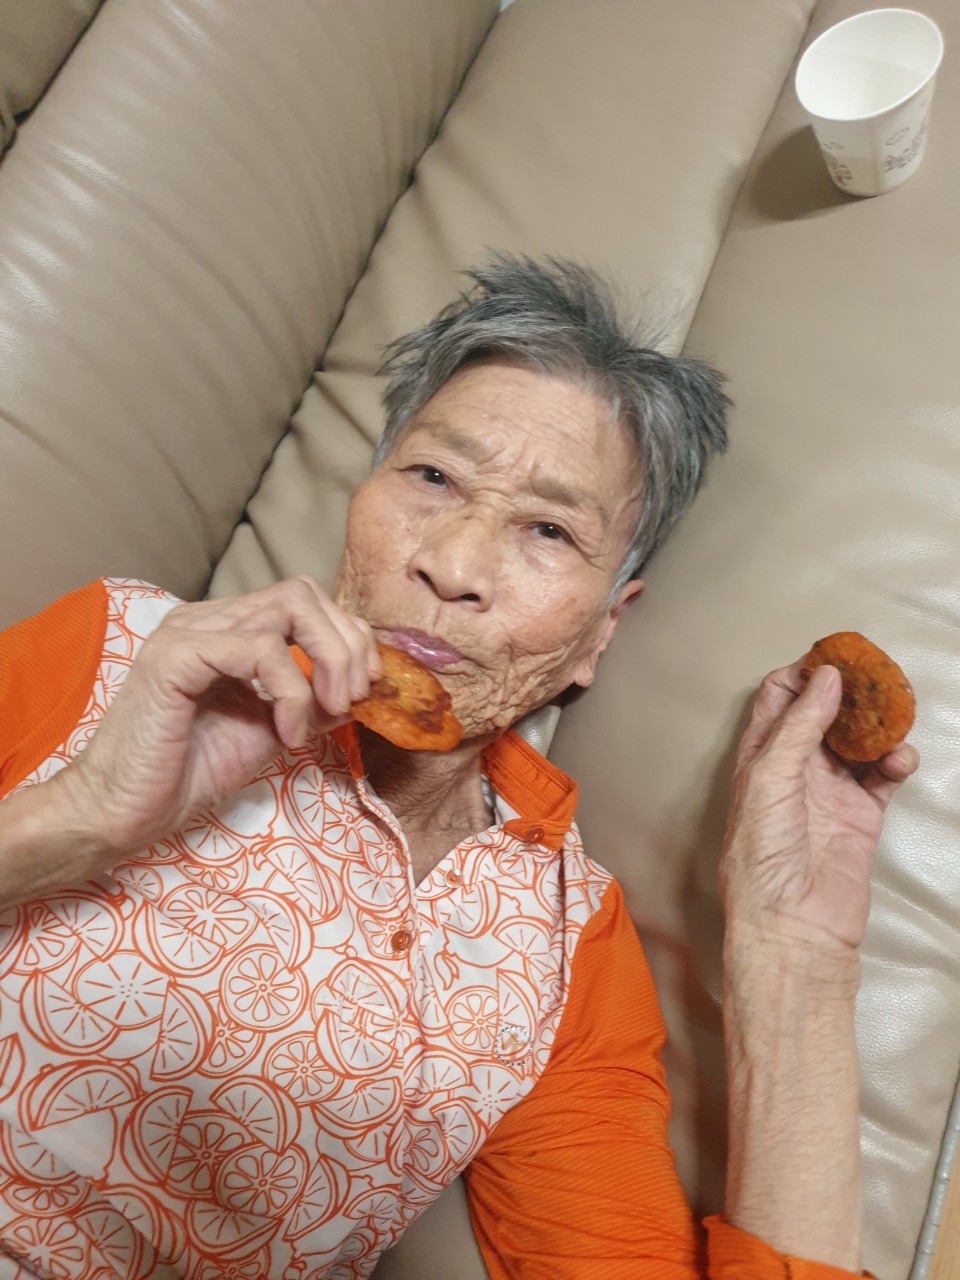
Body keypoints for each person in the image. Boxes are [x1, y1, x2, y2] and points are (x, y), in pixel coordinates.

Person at [0, 256, 917, 1280]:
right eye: (433, 477)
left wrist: (797, 955)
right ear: (361, 499)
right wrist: (77, 815)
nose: (453, 563)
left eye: (549, 530)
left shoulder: (564, 949)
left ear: (600, 634)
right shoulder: (124, 647)